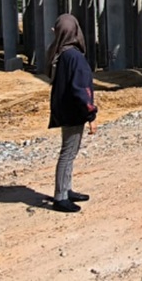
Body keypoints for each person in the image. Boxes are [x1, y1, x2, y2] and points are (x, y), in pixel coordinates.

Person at [46, 13, 98, 213]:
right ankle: (60, 197)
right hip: (73, 111)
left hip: (64, 108)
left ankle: (66, 190)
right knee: (68, 153)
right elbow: (81, 88)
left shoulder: (60, 52)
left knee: (70, 151)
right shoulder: (74, 56)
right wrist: (91, 114)